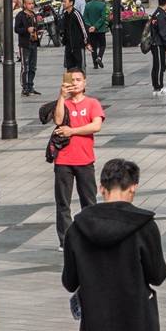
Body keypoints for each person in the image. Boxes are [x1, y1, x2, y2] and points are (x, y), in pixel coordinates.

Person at [61, 157, 166, 331]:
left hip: (97, 329)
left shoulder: (77, 228)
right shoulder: (145, 227)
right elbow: (157, 275)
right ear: (133, 187)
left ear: (101, 188)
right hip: (137, 326)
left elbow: (70, 281)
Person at [49, 68, 104, 245]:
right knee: (63, 203)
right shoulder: (63, 103)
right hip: (63, 160)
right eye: (71, 80)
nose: (74, 83)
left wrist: (72, 131)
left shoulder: (92, 103)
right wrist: (61, 97)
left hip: (85, 160)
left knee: (89, 201)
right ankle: (65, 240)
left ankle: (91, 236)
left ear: (85, 82)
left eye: (78, 80)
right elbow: (58, 120)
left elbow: (96, 126)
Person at [58, 0, 86, 74]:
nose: (63, 3)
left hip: (77, 45)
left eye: (65, 2)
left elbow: (83, 28)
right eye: (62, 2)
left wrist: (87, 42)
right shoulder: (65, 14)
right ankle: (71, 85)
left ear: (71, 3)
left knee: (79, 68)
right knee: (69, 68)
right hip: (68, 45)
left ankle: (80, 85)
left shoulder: (76, 14)